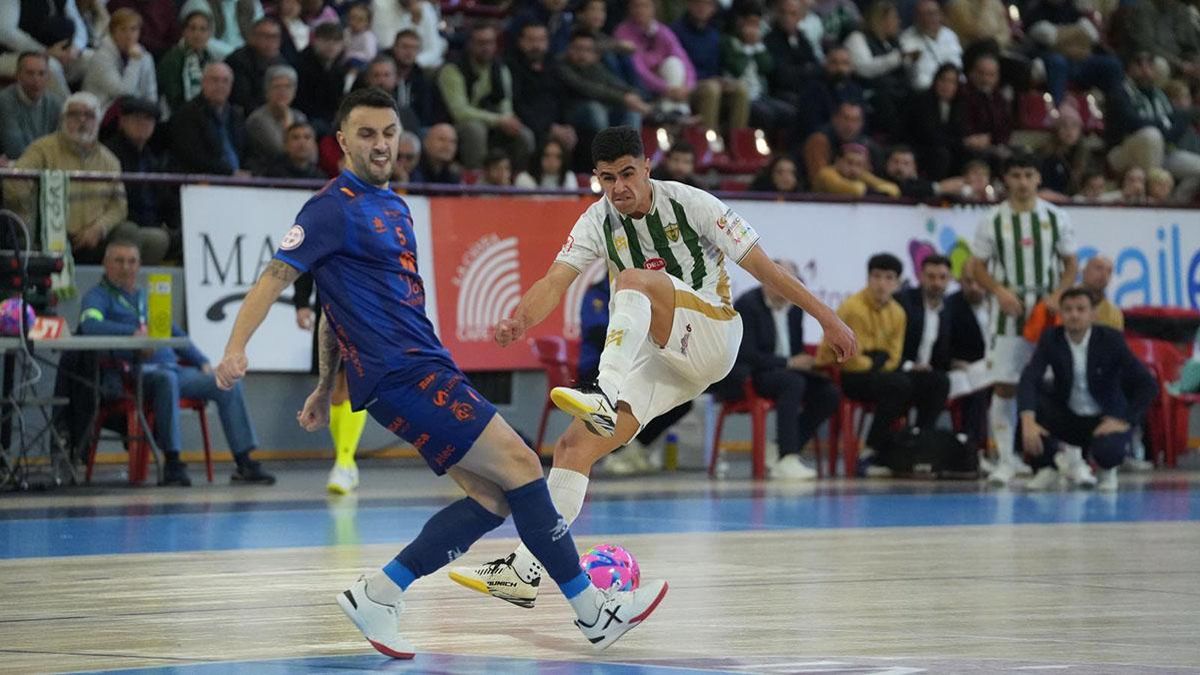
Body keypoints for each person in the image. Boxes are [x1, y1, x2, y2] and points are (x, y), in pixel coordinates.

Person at [214, 89, 668, 656]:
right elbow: (275, 277)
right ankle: (591, 611)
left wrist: (325, 381)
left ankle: (379, 593)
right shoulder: (331, 208)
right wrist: (236, 346)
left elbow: (337, 307)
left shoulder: (396, 207)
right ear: (342, 143)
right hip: (404, 375)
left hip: (421, 367)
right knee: (524, 463)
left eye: (388, 132)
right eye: (366, 134)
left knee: (494, 497)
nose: (380, 144)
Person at [447, 125, 856, 606]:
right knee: (574, 446)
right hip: (665, 359)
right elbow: (555, 281)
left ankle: (605, 390)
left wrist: (830, 320)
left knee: (636, 281)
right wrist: (519, 318)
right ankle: (523, 570)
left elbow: (767, 271)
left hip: (715, 334)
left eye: (626, 174)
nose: (617, 187)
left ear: (646, 168)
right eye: (605, 178)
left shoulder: (693, 204)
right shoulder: (596, 220)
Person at [81, 238, 275, 487]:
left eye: (131, 261)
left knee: (225, 382)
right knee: (167, 380)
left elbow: (175, 333)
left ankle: (245, 462)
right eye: (119, 261)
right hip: (135, 375)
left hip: (173, 369)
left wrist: (203, 362)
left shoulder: (144, 298)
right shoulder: (97, 297)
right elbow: (90, 326)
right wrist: (131, 334)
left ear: (139, 265)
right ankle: (173, 462)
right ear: (105, 264)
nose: (126, 267)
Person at [965, 152, 1079, 487]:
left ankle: (1072, 458)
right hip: (1008, 312)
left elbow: (1071, 264)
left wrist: (1057, 295)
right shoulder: (992, 220)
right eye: (1016, 175)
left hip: (1048, 309)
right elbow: (977, 267)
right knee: (1005, 383)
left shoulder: (1056, 217)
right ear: (1006, 180)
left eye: (1029, 175)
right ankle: (1005, 459)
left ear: (1038, 179)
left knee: (1063, 381)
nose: (1023, 182)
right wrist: (998, 291)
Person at [817, 253, 947, 475]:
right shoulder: (852, 308)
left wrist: (880, 362)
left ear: (897, 283)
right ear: (868, 279)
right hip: (850, 375)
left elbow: (894, 356)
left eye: (889, 278)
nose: (881, 284)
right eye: (876, 277)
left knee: (936, 381)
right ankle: (870, 451)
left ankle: (920, 445)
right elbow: (845, 357)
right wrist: (874, 361)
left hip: (881, 374)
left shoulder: (897, 313)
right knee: (897, 384)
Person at [1018, 288, 1158, 492]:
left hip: (1104, 419)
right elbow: (1030, 377)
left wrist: (1125, 420)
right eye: (1068, 309)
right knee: (1029, 402)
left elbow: (1148, 385)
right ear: (1061, 313)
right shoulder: (1051, 338)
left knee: (1109, 451)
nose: (1074, 314)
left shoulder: (1111, 339)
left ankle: (1107, 470)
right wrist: (1028, 420)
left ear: (1093, 314)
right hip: (1069, 416)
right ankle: (1047, 467)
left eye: (1081, 309)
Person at [3, 92, 151, 264]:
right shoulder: (41, 149)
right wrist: (15, 177)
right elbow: (14, 189)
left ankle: (114, 286)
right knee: (22, 240)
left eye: (89, 115)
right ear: (62, 119)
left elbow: (119, 207)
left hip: (94, 238)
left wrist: (99, 228)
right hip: (49, 236)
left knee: (129, 232)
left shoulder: (110, 160)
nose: (82, 120)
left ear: (98, 121)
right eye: (74, 114)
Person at [733, 259, 841, 480]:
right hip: (756, 375)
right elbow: (745, 353)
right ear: (766, 280)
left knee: (829, 392)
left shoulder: (794, 309)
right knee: (793, 382)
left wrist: (808, 363)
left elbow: (796, 348)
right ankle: (788, 457)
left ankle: (779, 447)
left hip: (787, 372)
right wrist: (788, 363)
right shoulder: (747, 304)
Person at [437, 23, 534, 171]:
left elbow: (506, 105)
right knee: (475, 130)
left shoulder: (500, 68)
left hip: (493, 123)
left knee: (524, 135)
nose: (486, 47)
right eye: (481, 43)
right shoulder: (452, 69)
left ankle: (516, 181)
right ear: (470, 44)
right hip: (455, 125)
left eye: (490, 42)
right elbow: (460, 112)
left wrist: (508, 120)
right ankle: (476, 181)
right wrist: (499, 120)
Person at [101, 96, 174, 264]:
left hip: (152, 223)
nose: (143, 124)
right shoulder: (109, 154)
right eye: (136, 118)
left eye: (148, 119)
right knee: (154, 238)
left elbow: (166, 199)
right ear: (123, 121)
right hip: (121, 225)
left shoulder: (152, 159)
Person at [168, 62, 246, 175]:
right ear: (203, 82)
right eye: (215, 80)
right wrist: (230, 172)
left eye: (225, 81)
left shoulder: (236, 114)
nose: (220, 85)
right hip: (205, 180)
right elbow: (194, 157)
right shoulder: (187, 114)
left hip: (240, 179)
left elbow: (247, 150)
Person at [82, 7, 158, 112]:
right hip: (100, 113)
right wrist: (134, 61)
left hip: (134, 114)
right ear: (113, 32)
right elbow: (124, 93)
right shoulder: (101, 57)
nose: (129, 35)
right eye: (123, 29)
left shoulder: (145, 57)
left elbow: (150, 93)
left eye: (133, 29)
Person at [0, 52, 64, 162]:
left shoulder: (55, 103)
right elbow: (14, 149)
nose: (36, 79)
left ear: (48, 76)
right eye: (30, 73)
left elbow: (61, 146)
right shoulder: (4, 101)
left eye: (41, 73)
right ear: (18, 75)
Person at [156, 8, 219, 115]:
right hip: (178, 116)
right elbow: (173, 98)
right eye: (192, 28)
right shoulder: (173, 59)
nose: (197, 34)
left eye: (203, 29)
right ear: (184, 32)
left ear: (209, 34)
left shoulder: (210, 59)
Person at [244, 64, 307, 171]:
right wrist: (287, 117)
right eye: (277, 87)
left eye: (287, 87)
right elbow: (283, 151)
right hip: (268, 173)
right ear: (267, 91)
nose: (282, 91)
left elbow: (311, 154)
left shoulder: (300, 117)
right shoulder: (258, 119)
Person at [224, 17, 284, 114]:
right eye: (265, 36)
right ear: (252, 37)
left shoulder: (281, 63)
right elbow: (243, 101)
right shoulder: (238, 61)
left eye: (275, 36)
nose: (271, 41)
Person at [811, 143, 900, 197]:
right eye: (850, 162)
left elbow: (893, 189)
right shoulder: (826, 173)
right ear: (838, 161)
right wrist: (878, 192)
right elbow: (855, 190)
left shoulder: (861, 175)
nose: (854, 168)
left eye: (859, 164)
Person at [258, 121, 324, 178]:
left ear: (314, 144)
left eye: (307, 137)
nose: (302, 142)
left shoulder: (320, 177)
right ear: (285, 145)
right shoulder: (272, 174)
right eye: (295, 138)